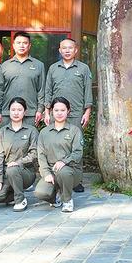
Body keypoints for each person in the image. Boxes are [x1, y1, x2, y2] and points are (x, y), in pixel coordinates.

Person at [41, 38, 93, 192]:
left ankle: (76, 180)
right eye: (64, 48)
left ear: (75, 50)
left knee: (76, 145)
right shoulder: (53, 68)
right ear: (60, 50)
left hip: (76, 113)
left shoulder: (83, 68)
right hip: (56, 113)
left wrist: (87, 111)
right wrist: (47, 111)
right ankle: (54, 175)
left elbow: (87, 90)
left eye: (70, 48)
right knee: (55, 144)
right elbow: (48, 90)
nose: (67, 50)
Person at [34, 98, 83, 213]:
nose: (59, 113)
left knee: (63, 172)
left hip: (71, 171)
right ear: (51, 111)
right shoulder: (44, 132)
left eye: (62, 110)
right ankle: (57, 195)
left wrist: (64, 162)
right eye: (56, 110)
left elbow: (78, 153)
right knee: (41, 193)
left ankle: (67, 200)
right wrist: (46, 173)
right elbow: (41, 155)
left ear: (68, 111)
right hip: (52, 171)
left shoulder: (74, 131)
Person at [0, 98, 39, 212]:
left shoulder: (31, 131)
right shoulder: (2, 132)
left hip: (26, 172)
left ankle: (20, 200)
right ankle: (14, 191)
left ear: (24, 112)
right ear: (9, 111)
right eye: (13, 110)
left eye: (19, 110)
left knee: (13, 169)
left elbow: (34, 154)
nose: (16, 113)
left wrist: (18, 163)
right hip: (7, 173)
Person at [0, 33, 45, 125]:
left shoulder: (39, 65)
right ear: (14, 45)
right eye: (18, 43)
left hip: (30, 113)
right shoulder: (5, 65)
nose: (21, 45)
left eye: (25, 43)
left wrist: (40, 110)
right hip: (7, 112)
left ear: (29, 46)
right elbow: (0, 91)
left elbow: (41, 90)